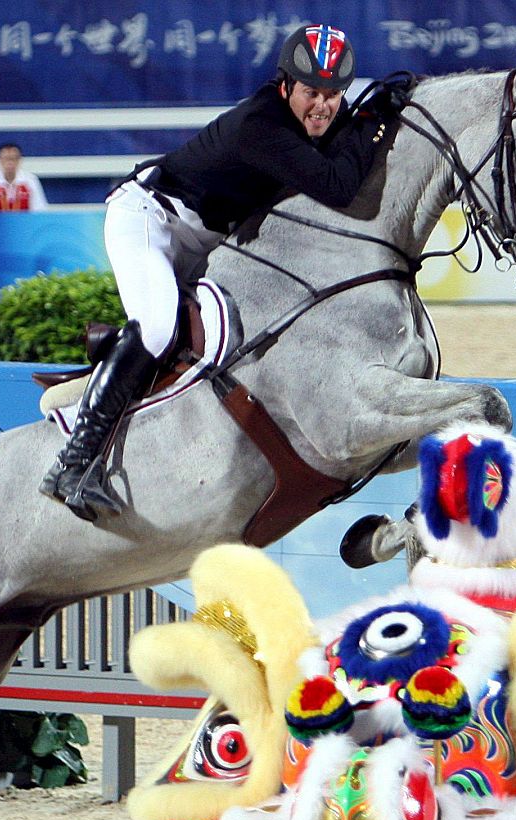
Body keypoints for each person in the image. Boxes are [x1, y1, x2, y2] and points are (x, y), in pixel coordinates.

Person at [40, 22, 408, 521]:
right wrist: (376, 120)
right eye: (311, 93)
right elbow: (339, 183)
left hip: (199, 238)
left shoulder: (301, 120)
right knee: (157, 327)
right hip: (151, 219)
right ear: (285, 86)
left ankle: (109, 372)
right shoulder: (263, 124)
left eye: (333, 95)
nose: (321, 105)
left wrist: (365, 115)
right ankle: (74, 463)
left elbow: (337, 144)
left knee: (204, 338)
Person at [0, 143, 49, 212]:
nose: (10, 162)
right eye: (6, 158)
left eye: (13, 158)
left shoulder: (30, 180)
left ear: (19, 160)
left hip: (24, 225)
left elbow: (39, 210)